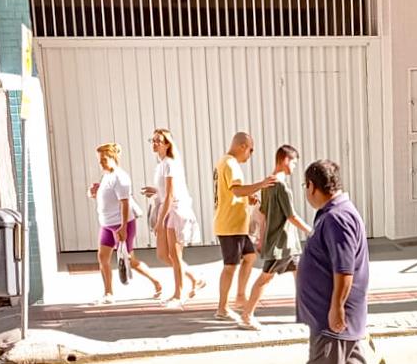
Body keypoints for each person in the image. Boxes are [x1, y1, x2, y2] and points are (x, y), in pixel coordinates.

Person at [269, 159, 376, 364]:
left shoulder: (336, 218)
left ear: (312, 186)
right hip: (338, 312)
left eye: (306, 186)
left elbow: (344, 269)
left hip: (334, 315)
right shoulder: (334, 213)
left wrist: (336, 308)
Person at [240, 144, 312, 331]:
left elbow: (263, 214)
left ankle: (307, 313)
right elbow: (291, 216)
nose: (295, 168)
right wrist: (311, 231)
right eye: (294, 163)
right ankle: (247, 315)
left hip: (286, 244)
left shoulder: (267, 184)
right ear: (285, 160)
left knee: (301, 274)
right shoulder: (281, 186)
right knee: (265, 278)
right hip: (282, 244)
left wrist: (262, 239)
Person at [88, 144, 163, 305]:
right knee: (102, 257)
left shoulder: (120, 178)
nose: (101, 163)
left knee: (130, 260)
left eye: (104, 159)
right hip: (106, 224)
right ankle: (108, 293)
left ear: (113, 157)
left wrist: (122, 227)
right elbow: (107, 198)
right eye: (99, 160)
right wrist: (94, 193)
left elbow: (124, 203)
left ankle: (157, 282)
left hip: (122, 224)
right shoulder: (106, 175)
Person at [213, 131, 276, 321]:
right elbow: (236, 190)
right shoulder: (231, 164)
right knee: (230, 266)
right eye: (251, 150)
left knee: (249, 256)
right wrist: (261, 185)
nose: (250, 155)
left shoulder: (224, 162)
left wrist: (248, 196)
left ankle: (240, 297)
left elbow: (232, 193)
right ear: (243, 146)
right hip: (230, 224)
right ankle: (222, 308)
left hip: (235, 224)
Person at [142, 128, 205, 307]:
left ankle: (179, 294)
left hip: (176, 211)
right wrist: (154, 191)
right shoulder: (161, 164)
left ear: (167, 144)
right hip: (167, 209)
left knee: (175, 255)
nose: (154, 144)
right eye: (152, 140)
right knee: (162, 254)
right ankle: (195, 278)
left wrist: (161, 221)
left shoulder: (170, 163)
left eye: (158, 141)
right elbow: (165, 192)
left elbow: (170, 195)